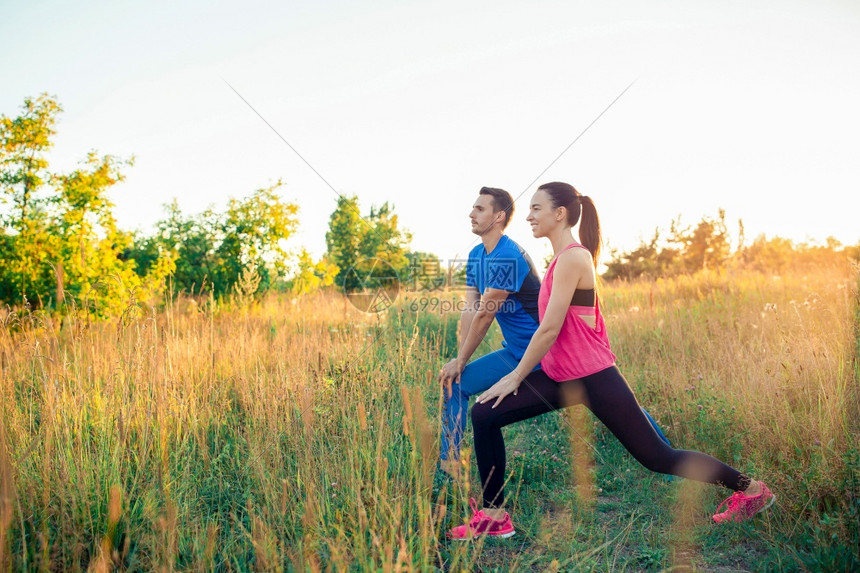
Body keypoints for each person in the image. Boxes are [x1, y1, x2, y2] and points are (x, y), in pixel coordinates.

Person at [447, 182, 775, 540]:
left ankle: (752, 490)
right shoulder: (557, 260)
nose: (528, 216)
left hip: (594, 377)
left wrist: (515, 376)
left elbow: (549, 329)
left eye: (536, 208)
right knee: (484, 413)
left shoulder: (574, 257)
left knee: (656, 457)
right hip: (561, 377)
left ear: (560, 214)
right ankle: (495, 517)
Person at [438, 186, 670, 478]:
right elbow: (471, 309)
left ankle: (664, 451)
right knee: (455, 384)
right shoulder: (475, 255)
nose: (471, 213)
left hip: (543, 349)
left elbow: (485, 315)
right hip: (515, 350)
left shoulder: (510, 257)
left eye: (479, 209)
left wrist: (461, 360)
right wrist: (459, 358)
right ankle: (448, 472)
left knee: (607, 395)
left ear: (498, 217)